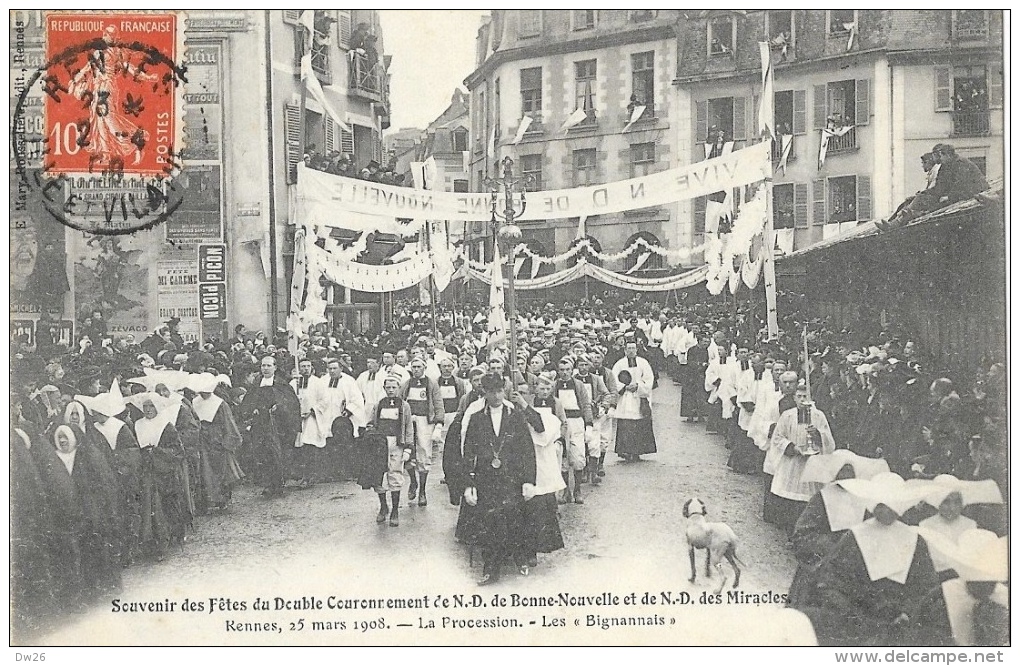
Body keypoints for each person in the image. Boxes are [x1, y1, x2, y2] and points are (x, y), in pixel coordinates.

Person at [797, 474, 954, 646]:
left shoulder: (914, 539)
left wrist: (908, 612)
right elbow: (833, 579)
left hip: (899, 618)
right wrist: (852, 613)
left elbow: (925, 584)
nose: (887, 511)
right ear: (874, 505)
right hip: (856, 614)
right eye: (882, 505)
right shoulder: (856, 535)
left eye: (892, 506)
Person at [462, 373, 539, 585]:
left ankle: (520, 558)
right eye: (491, 391)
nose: (496, 395)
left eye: (499, 391)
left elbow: (527, 451)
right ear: (484, 393)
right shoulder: (477, 419)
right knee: (489, 522)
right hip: (487, 479)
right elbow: (468, 453)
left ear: (504, 391)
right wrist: (469, 485)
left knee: (514, 518)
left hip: (511, 477)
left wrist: (529, 480)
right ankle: (490, 568)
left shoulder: (515, 416)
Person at [127, 393, 190, 561]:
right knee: (149, 508)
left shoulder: (166, 426)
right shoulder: (137, 425)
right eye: (145, 407)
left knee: (165, 505)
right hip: (145, 473)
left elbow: (177, 451)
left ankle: (166, 540)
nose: (148, 410)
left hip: (163, 472)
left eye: (151, 406)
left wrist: (156, 451)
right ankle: (152, 543)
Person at [768, 382, 837, 534]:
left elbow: (829, 440)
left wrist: (818, 435)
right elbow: (778, 437)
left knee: (806, 498)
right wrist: (792, 447)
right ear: (794, 398)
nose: (802, 399)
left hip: (811, 464)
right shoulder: (788, 415)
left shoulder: (818, 416)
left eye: (805, 396)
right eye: (799, 396)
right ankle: (787, 527)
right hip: (792, 462)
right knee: (789, 496)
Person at [238, 356, 301, 499]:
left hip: (278, 425)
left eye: (268, 366)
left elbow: (291, 403)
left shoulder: (282, 384)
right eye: (263, 366)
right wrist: (251, 410)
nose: (265, 368)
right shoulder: (256, 384)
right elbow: (248, 402)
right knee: (263, 454)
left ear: (275, 367)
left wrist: (279, 407)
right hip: (260, 424)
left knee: (278, 454)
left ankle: (279, 485)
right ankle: (267, 484)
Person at [361, 375, 413, 527]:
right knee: (379, 475)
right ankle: (384, 507)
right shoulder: (379, 405)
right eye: (388, 387)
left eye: (394, 387)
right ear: (384, 389)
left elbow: (409, 428)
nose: (391, 390)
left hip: (397, 444)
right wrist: (371, 435)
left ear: (398, 388)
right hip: (380, 444)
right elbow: (371, 423)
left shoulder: (404, 406)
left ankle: (395, 510)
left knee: (395, 474)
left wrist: (408, 447)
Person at [189, 373, 244, 513]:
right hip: (201, 441)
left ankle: (222, 499)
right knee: (203, 472)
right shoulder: (195, 402)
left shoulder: (220, 403)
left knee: (220, 471)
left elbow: (228, 423)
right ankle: (205, 502)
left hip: (217, 441)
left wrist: (228, 442)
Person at [399, 357, 444, 506]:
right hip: (410, 421)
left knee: (424, 454)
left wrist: (438, 422)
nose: (416, 369)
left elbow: (438, 403)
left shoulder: (431, 384)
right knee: (407, 452)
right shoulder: (406, 384)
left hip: (425, 421)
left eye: (419, 366)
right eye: (414, 367)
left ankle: (423, 491)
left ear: (424, 367)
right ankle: (413, 481)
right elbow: (400, 401)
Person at [554, 356, 593, 503]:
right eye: (562, 370)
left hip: (576, 422)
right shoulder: (555, 386)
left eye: (567, 370)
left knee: (578, 458)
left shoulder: (578, 385)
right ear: (558, 371)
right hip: (561, 422)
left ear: (572, 370)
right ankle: (566, 491)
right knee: (563, 458)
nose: (565, 373)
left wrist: (588, 424)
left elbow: (585, 404)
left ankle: (577, 490)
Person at [611, 341, 657, 462]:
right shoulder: (619, 364)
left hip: (639, 396)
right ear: (625, 350)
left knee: (640, 422)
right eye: (628, 348)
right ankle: (625, 451)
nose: (631, 351)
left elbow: (648, 378)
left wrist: (637, 386)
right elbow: (613, 379)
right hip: (625, 397)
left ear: (637, 349)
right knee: (626, 423)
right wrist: (624, 387)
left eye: (633, 348)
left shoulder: (643, 363)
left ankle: (638, 451)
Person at [681, 335, 710, 422]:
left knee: (700, 395)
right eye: (704, 341)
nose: (706, 343)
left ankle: (700, 414)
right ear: (699, 341)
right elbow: (690, 362)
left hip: (701, 375)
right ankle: (690, 415)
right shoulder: (692, 350)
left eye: (707, 342)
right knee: (690, 395)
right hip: (691, 376)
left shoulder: (705, 351)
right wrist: (701, 364)